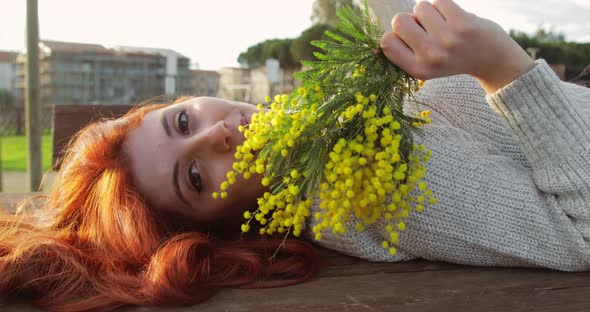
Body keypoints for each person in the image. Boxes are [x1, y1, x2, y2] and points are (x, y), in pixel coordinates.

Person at [1, 0, 588, 310]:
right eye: (197, 176)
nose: (217, 136)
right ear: (224, 225)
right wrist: (503, 67)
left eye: (183, 120)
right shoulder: (361, 195)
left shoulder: (324, 134)